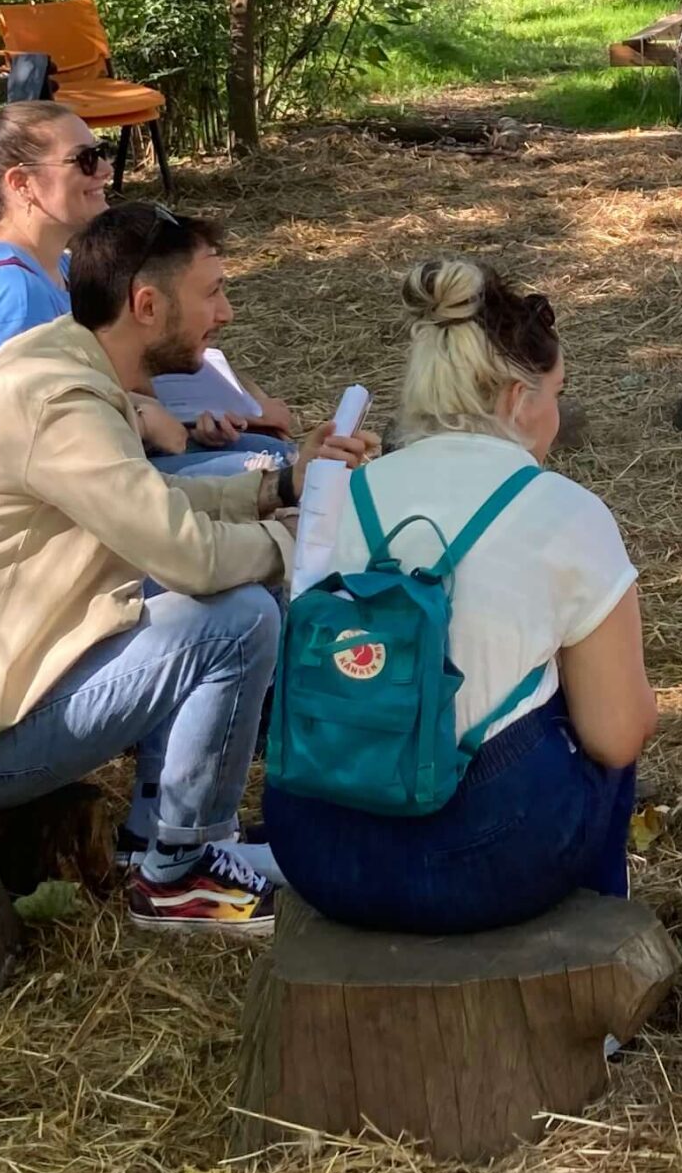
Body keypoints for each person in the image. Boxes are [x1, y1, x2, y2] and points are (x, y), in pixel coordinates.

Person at [0, 204, 376, 936]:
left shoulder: (59, 362)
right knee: (236, 615)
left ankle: (165, 838)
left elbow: (149, 503)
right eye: (214, 293)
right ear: (146, 304)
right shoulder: (61, 404)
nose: (224, 314)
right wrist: (304, 543)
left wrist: (279, 488)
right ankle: (178, 870)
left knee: (219, 594)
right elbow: (190, 555)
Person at [262, 259, 655, 936]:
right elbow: (618, 737)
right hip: (481, 858)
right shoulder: (565, 510)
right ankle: (597, 975)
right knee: (601, 718)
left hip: (316, 848)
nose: (557, 416)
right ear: (514, 397)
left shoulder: (344, 494)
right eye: (555, 393)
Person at [0, 101, 254, 489]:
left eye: (100, 153)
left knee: (258, 454)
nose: (104, 169)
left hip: (62, 474)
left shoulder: (54, 266)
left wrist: (177, 414)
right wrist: (144, 421)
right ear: (22, 184)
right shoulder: (10, 295)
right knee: (264, 470)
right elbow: (21, 441)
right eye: (83, 160)